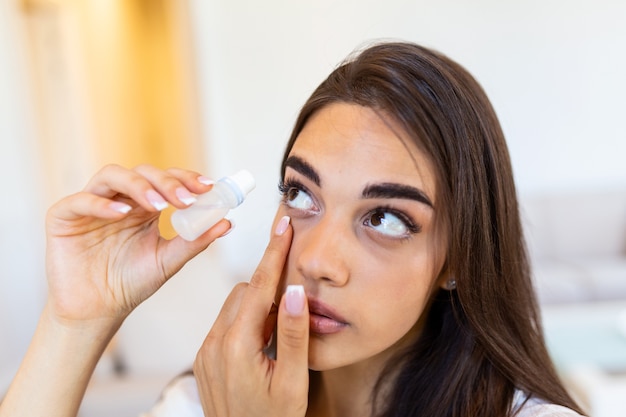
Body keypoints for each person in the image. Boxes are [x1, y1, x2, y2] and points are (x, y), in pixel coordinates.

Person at [0, 41, 586, 417]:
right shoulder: (205, 402)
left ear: (459, 258)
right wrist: (74, 322)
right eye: (301, 195)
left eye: (386, 218)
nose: (316, 261)